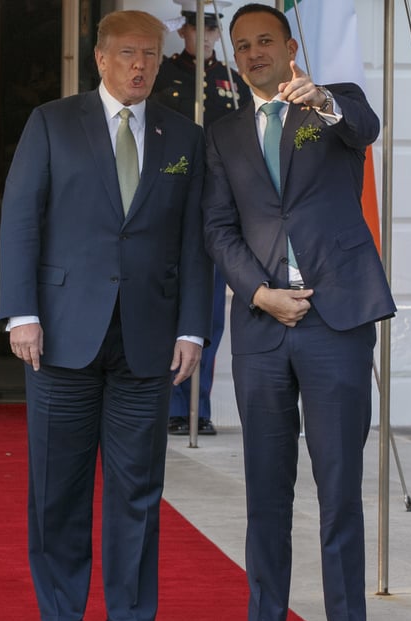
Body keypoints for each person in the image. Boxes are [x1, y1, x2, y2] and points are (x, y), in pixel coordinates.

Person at [0, 9, 211, 621]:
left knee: (137, 483)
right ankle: (61, 615)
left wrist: (193, 327)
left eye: (150, 53)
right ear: (100, 58)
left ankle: (131, 618)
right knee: (57, 484)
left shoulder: (184, 137)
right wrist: (21, 312)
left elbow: (195, 241)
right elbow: (20, 220)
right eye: (127, 53)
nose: (141, 65)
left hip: (149, 336)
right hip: (62, 333)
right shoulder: (52, 123)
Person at [203, 3, 395, 621]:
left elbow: (367, 129)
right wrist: (259, 293)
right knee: (266, 483)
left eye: (266, 41)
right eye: (244, 45)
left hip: (336, 319)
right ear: (234, 58)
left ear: (290, 46)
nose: (255, 53)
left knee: (338, 481)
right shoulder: (223, 131)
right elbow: (218, 228)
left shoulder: (333, 105)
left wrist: (326, 101)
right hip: (262, 325)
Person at [151, 0, 251, 437]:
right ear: (185, 33)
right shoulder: (168, 74)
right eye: (198, 30)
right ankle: (168, 401)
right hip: (174, 191)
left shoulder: (232, 78)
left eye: (212, 31)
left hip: (220, 196)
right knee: (168, 302)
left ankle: (196, 406)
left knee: (208, 311)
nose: (206, 37)